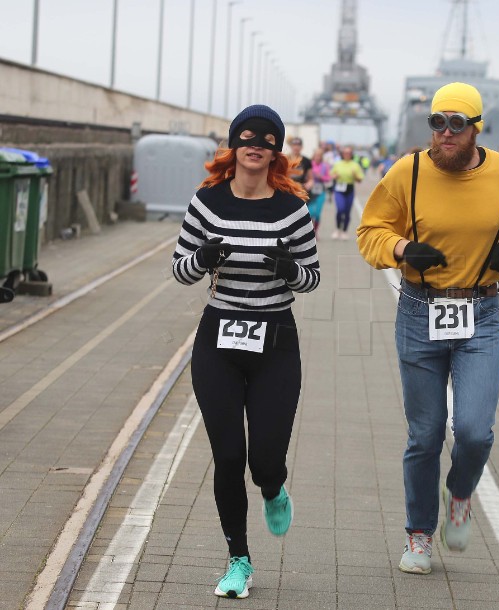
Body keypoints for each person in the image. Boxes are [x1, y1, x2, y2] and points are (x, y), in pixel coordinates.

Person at [357, 82, 499, 575]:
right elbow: (370, 230)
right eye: (438, 123)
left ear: (477, 127)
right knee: (426, 433)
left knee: (475, 432)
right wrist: (401, 250)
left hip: (480, 313)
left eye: (457, 124)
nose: (446, 134)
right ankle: (418, 534)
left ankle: (459, 493)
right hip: (420, 311)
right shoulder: (407, 172)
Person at [171, 104, 320, 599]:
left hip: (275, 341)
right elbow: (180, 270)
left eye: (267, 138)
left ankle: (274, 488)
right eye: (247, 136)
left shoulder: (292, 210)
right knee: (229, 455)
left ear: (277, 149)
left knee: (265, 461)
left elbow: (312, 278)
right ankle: (239, 560)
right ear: (234, 145)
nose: (256, 144)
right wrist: (204, 257)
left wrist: (287, 270)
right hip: (219, 341)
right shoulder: (207, 203)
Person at [329, 146, 364, 240]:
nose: (347, 154)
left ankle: (344, 231)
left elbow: (360, 179)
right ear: (342, 154)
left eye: (349, 153)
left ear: (351, 154)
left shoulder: (355, 165)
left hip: (349, 189)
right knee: (340, 209)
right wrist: (334, 176)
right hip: (339, 189)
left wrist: (355, 176)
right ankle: (337, 229)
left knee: (347, 212)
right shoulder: (338, 164)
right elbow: (331, 175)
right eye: (345, 153)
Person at [308, 147, 331, 236]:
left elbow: (328, 178)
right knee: (310, 212)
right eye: (316, 155)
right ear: (314, 155)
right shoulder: (310, 164)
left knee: (317, 213)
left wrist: (321, 177)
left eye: (319, 156)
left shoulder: (325, 166)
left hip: (321, 191)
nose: (318, 157)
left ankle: (315, 231)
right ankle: (309, 231)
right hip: (310, 191)